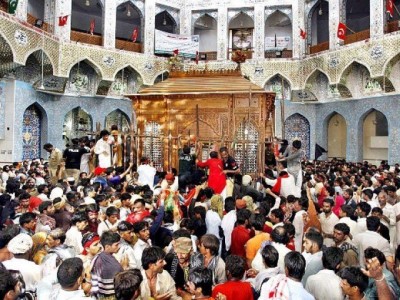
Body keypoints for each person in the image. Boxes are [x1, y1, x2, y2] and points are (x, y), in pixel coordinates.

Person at [91, 231, 123, 299]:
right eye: (116, 245)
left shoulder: (97, 257)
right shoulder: (114, 266)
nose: (119, 247)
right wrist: (124, 267)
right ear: (107, 247)